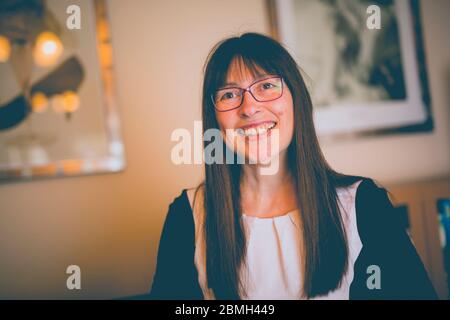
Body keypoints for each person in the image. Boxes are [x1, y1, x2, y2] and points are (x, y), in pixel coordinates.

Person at [149, 33, 437, 300]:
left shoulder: (364, 205)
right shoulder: (187, 215)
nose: (249, 107)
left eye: (267, 86)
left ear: (297, 100)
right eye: (229, 94)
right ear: (215, 120)